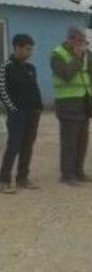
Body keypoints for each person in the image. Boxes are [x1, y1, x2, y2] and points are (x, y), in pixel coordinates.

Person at [51, 27, 92, 185]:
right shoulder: (57, 54)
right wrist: (77, 58)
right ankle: (67, 174)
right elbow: (66, 75)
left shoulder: (86, 53)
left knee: (82, 140)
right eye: (79, 41)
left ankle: (79, 171)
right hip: (67, 102)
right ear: (70, 40)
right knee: (69, 141)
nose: (82, 44)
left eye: (83, 41)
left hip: (84, 102)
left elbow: (91, 73)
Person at [0, 34, 42, 194]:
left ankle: (22, 178)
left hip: (33, 113)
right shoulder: (5, 66)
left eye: (31, 49)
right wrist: (12, 108)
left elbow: (35, 89)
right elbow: (2, 90)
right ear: (17, 47)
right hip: (17, 114)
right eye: (27, 49)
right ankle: (4, 181)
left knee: (27, 146)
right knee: (14, 146)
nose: (30, 52)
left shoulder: (30, 68)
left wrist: (39, 107)